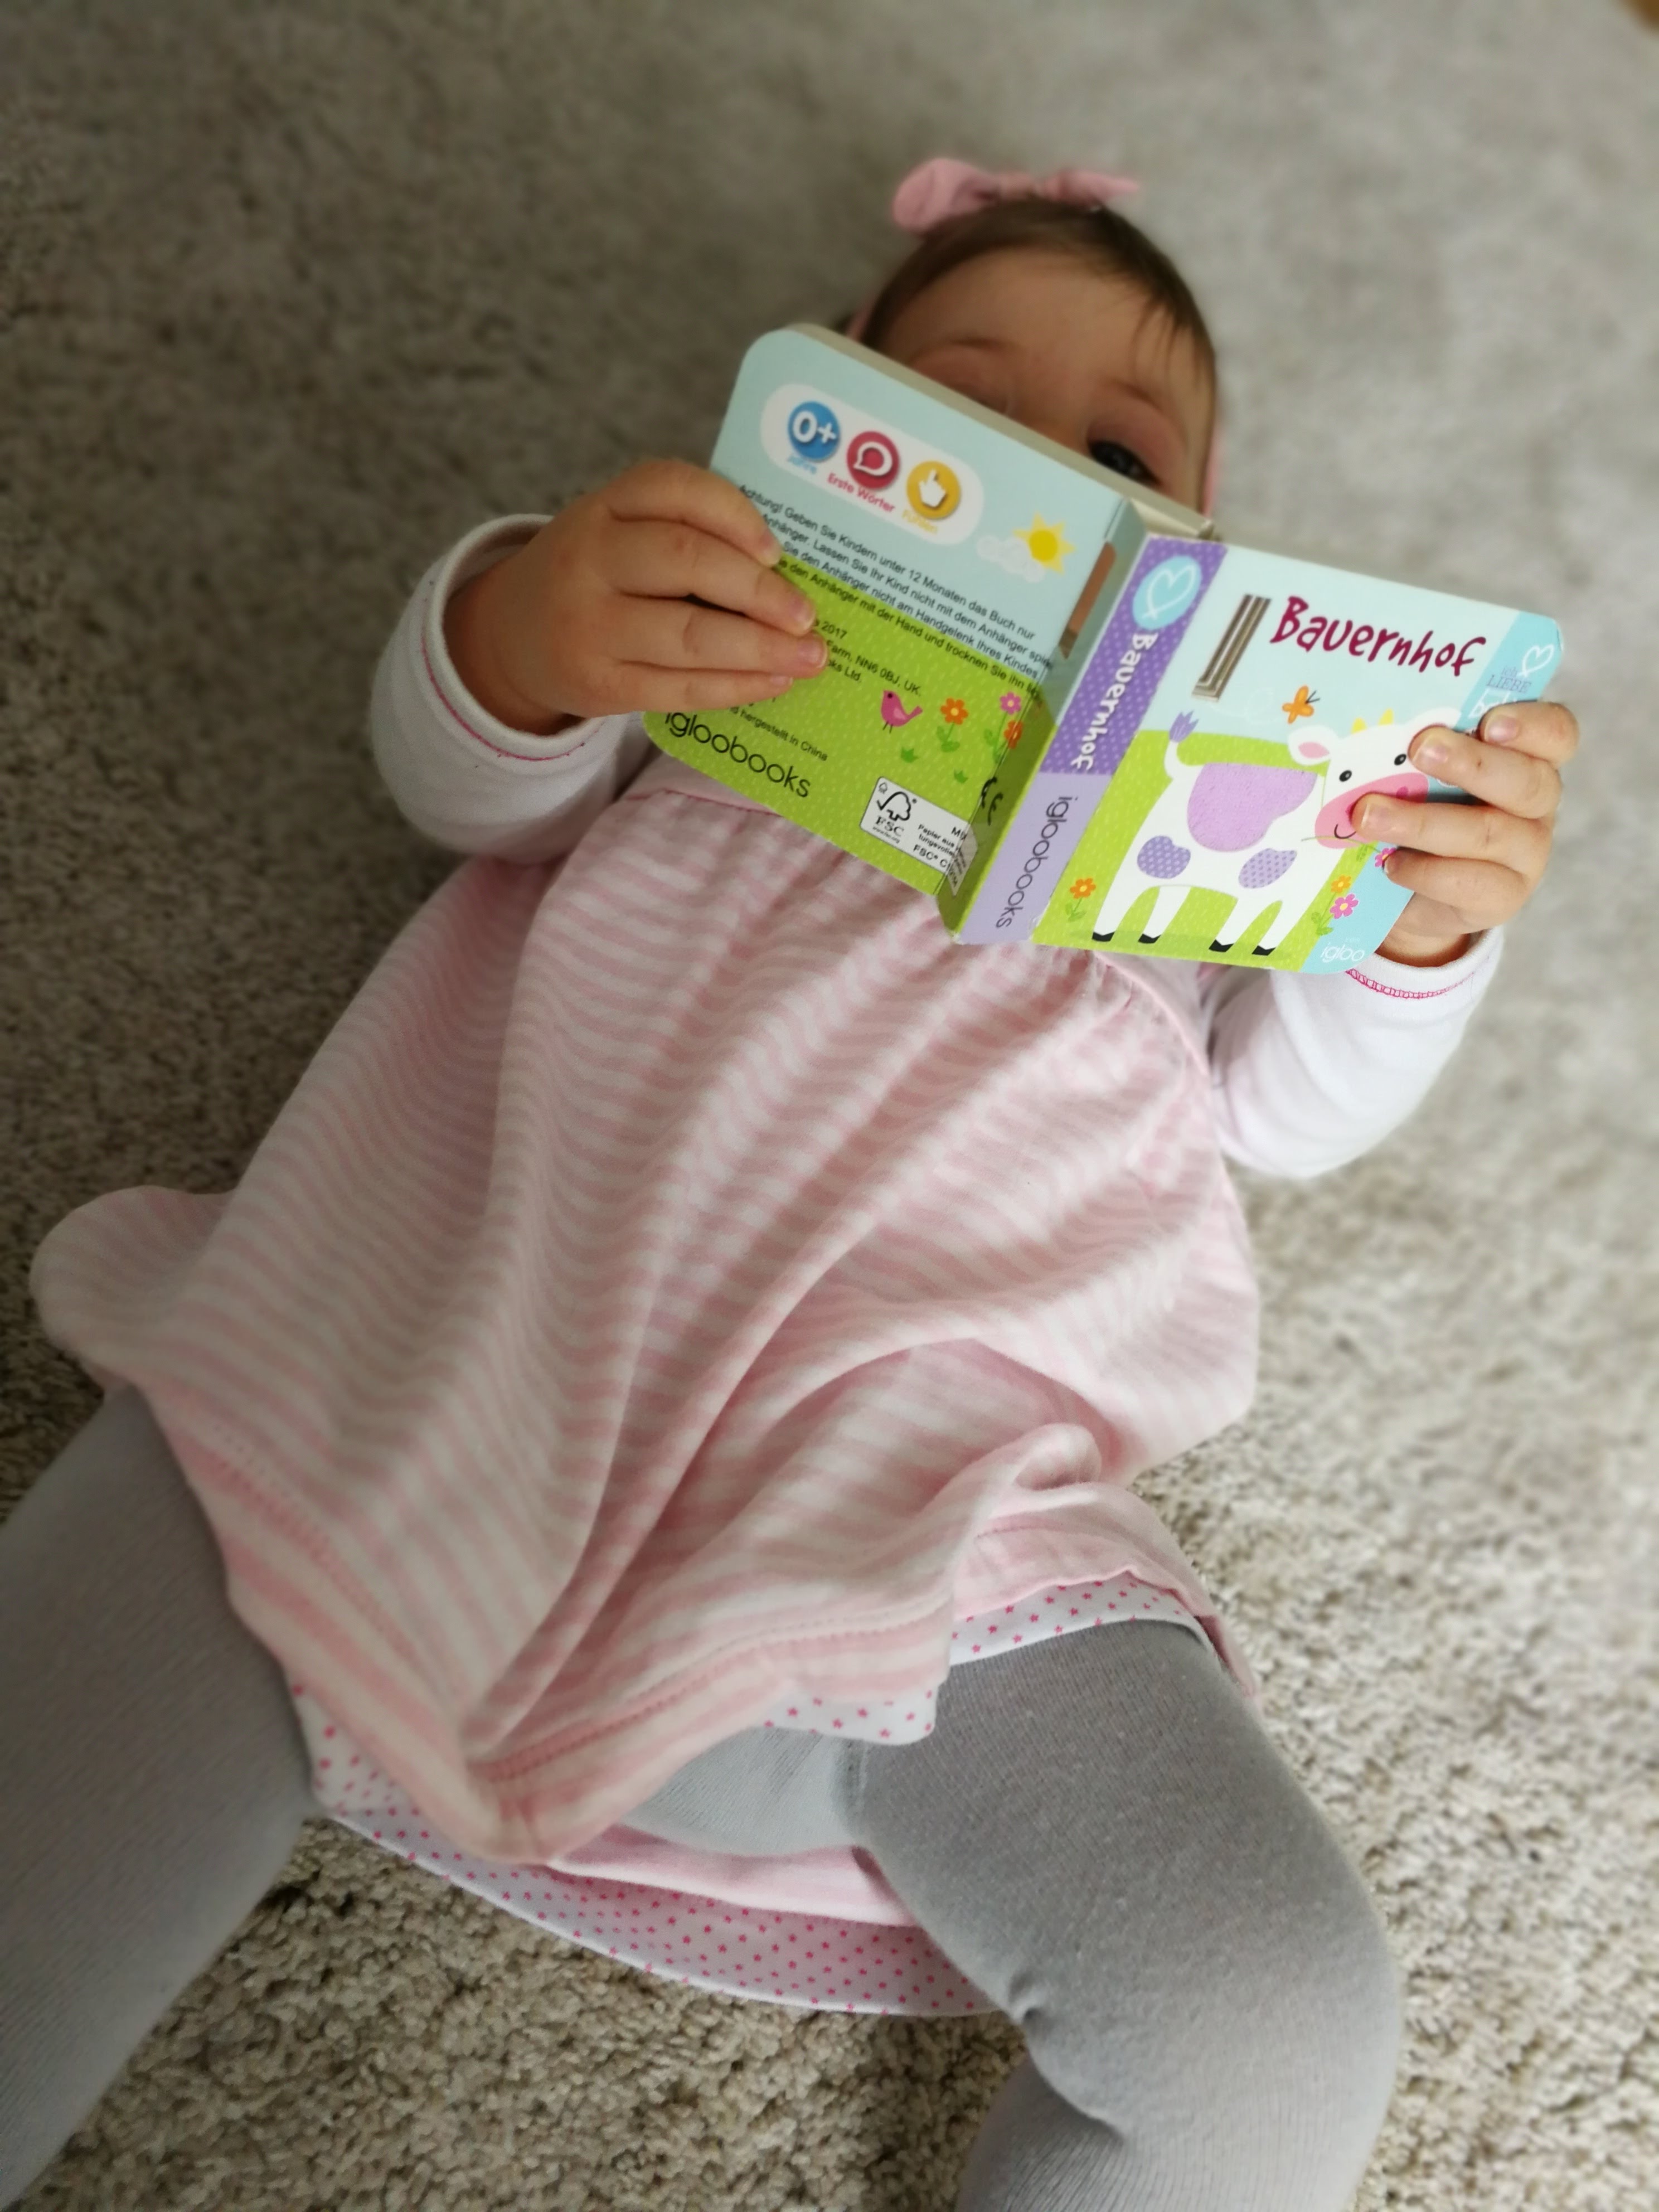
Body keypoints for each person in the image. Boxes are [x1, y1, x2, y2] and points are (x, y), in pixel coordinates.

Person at [1, 157, 1576, 2209]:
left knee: (1276, 2015)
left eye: (1123, 460)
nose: (1050, 471)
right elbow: (462, 773)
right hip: (435, 1376)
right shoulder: (706, 670)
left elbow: (1297, 1109)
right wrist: (533, 619)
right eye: (968, 408)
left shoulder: (1181, 880)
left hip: (931, 1537)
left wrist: (1418, 927)